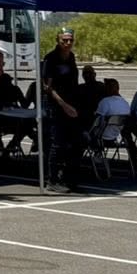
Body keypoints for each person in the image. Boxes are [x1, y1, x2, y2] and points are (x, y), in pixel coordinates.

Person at [38, 29, 82, 189]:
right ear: (58, 40)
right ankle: (52, 180)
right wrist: (64, 105)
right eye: (65, 40)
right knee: (57, 143)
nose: (68, 43)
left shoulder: (71, 58)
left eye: (70, 40)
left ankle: (69, 177)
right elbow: (48, 88)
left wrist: (74, 105)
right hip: (56, 106)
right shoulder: (51, 59)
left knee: (73, 142)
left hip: (70, 104)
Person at [93, 78, 132, 161]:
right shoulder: (125, 103)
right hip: (115, 136)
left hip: (101, 137)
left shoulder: (105, 101)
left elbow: (96, 120)